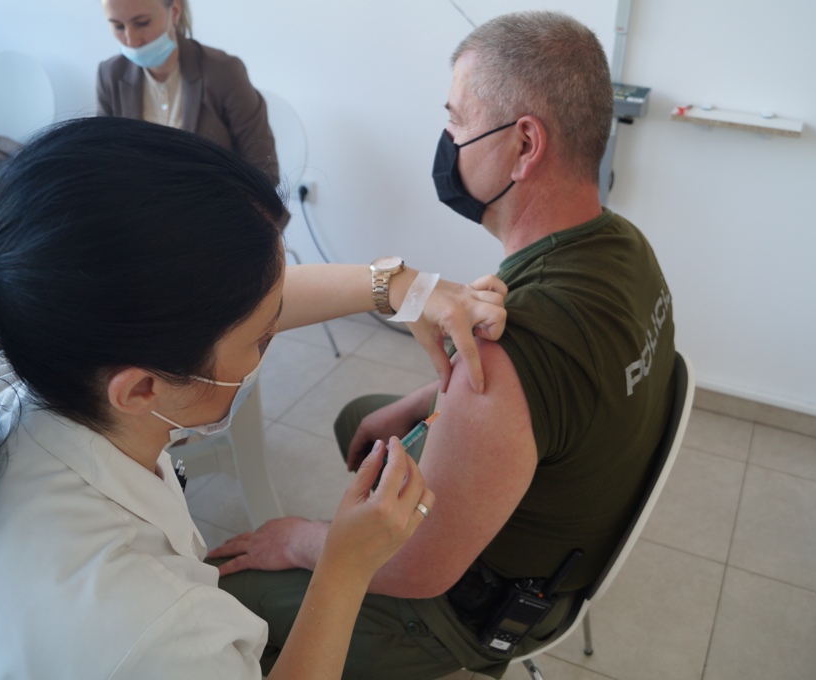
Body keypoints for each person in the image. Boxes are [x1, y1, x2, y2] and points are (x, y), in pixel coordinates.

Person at [0, 116, 508, 678]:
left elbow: (243, 302)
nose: (273, 335)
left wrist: (398, 286)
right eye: (262, 338)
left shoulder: (28, 365)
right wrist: (344, 566)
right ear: (141, 388)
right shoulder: (156, 627)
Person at [209, 10, 677, 680]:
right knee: (363, 419)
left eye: (457, 120)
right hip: (568, 527)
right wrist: (424, 400)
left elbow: (416, 569)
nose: (448, 140)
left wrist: (301, 541)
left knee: (226, 599)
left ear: (524, 144)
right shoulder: (624, 245)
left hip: (468, 610)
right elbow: (564, 388)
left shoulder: (513, 350)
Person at [97, 0, 280, 186]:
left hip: (217, 202)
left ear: (175, 11)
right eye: (118, 26)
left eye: (142, 23)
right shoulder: (110, 76)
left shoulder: (224, 73)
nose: (131, 40)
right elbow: (105, 166)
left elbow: (264, 174)